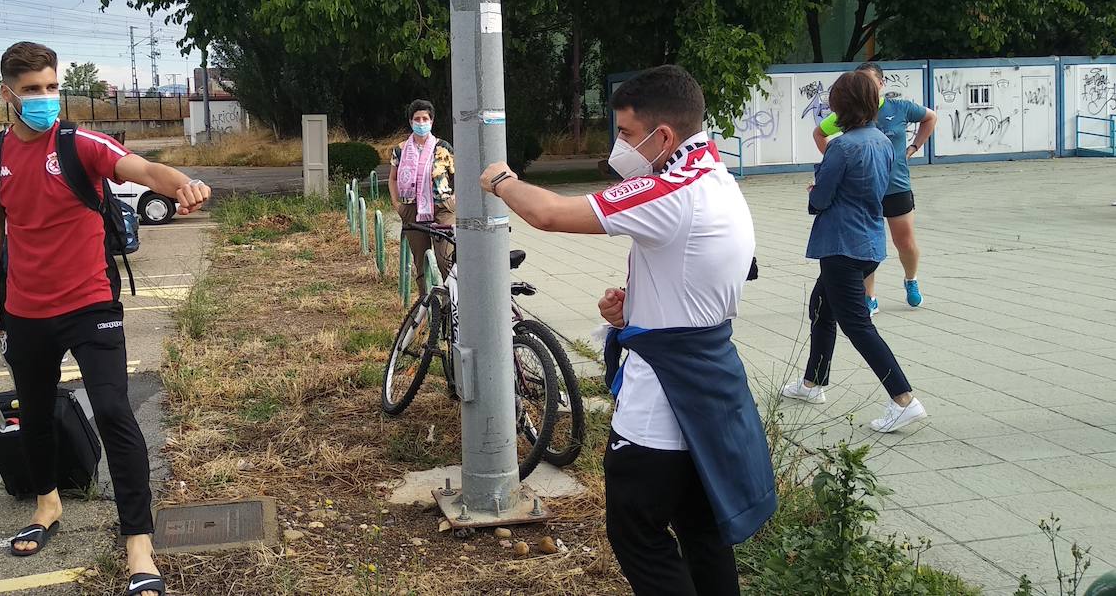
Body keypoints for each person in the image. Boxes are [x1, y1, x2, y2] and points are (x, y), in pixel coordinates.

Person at [481, 65, 774, 596]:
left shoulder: (670, 190)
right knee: (702, 532)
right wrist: (633, 305)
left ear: (663, 136)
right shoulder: (719, 179)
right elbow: (703, 276)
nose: (620, 146)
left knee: (636, 533)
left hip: (663, 395)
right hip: (711, 383)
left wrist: (502, 180)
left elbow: (549, 214)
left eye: (626, 134)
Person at [0, 42, 210, 596]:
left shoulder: (79, 144)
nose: (46, 98)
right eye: (33, 90)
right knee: (36, 414)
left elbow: (141, 168)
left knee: (114, 411)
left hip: (91, 303)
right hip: (26, 310)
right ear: (8, 95)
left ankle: (139, 546)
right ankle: (47, 503)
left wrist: (183, 184)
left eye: (52, 87)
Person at [784, 70, 928, 434]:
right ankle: (812, 384)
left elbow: (822, 197)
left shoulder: (842, 146)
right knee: (821, 307)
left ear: (840, 106)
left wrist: (814, 193)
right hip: (868, 241)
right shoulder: (882, 141)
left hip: (841, 243)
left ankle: (904, 399)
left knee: (857, 324)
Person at [813, 62, 938, 313]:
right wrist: (839, 165)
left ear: (881, 84)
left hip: (896, 185)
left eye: (871, 82)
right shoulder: (850, 114)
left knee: (904, 241)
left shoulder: (899, 108)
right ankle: (869, 296)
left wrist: (913, 148)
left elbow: (930, 117)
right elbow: (819, 134)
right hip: (864, 188)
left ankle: (910, 279)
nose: (867, 87)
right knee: (867, 244)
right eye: (862, 82)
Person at [389, 99, 455, 295]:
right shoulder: (400, 150)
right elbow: (392, 179)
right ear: (411, 122)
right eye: (417, 119)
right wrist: (397, 205)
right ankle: (426, 310)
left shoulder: (443, 148)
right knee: (421, 263)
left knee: (445, 261)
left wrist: (454, 200)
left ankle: (452, 308)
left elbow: (458, 176)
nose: (421, 122)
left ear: (431, 121)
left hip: (442, 208)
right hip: (412, 210)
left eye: (425, 118)